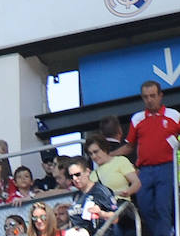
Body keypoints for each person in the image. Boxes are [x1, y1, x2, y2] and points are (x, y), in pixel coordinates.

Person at [113, 79, 179, 236]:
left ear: (160, 96)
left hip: (167, 167)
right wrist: (109, 155)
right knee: (145, 207)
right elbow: (129, 146)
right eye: (146, 97)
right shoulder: (137, 118)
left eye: (153, 96)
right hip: (145, 171)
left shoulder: (174, 115)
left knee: (163, 206)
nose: (149, 100)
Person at [63, 156, 119, 235]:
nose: (75, 179)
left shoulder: (100, 191)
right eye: (71, 176)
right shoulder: (76, 195)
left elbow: (115, 217)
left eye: (77, 174)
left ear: (87, 172)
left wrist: (101, 213)